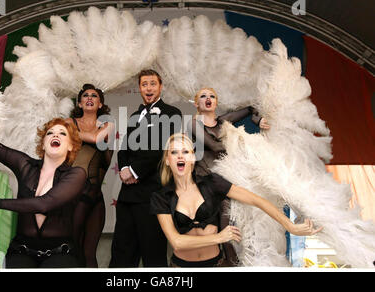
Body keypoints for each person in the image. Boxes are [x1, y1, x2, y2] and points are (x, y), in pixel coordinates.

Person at [150, 133, 322, 267]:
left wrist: (289, 225)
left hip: (216, 265)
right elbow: (177, 242)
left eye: (186, 152)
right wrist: (219, 237)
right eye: (174, 152)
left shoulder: (212, 183)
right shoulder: (161, 197)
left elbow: (256, 200)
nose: (180, 156)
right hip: (181, 268)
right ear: (167, 160)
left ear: (193, 158)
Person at [0, 118, 87, 268]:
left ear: (71, 146)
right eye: (50, 133)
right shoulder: (26, 165)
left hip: (60, 253)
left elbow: (45, 204)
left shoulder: (77, 174)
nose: (55, 135)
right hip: (21, 250)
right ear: (43, 144)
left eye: (62, 134)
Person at [187, 87, 270, 266]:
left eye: (212, 96)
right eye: (203, 96)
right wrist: (244, 141)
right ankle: (223, 263)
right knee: (213, 230)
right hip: (204, 184)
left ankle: (233, 264)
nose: (208, 99)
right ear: (196, 103)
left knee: (230, 226)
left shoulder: (223, 121)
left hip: (225, 182)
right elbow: (215, 146)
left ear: (216, 102)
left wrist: (258, 119)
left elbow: (249, 109)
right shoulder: (193, 124)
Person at [109, 69, 182, 268]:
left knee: (153, 250)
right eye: (144, 84)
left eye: (152, 83)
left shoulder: (172, 113)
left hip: (153, 193)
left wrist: (133, 171)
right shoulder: (135, 115)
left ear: (160, 86)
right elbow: (124, 147)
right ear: (140, 88)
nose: (148, 88)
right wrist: (124, 168)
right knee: (122, 249)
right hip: (128, 194)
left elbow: (162, 149)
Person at [68, 84, 114, 267]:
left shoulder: (108, 125)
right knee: (74, 248)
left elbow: (98, 143)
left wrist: (76, 135)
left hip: (96, 197)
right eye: (85, 95)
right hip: (74, 195)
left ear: (100, 103)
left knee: (89, 254)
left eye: (94, 96)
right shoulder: (69, 122)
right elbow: (96, 139)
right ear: (79, 103)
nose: (89, 98)